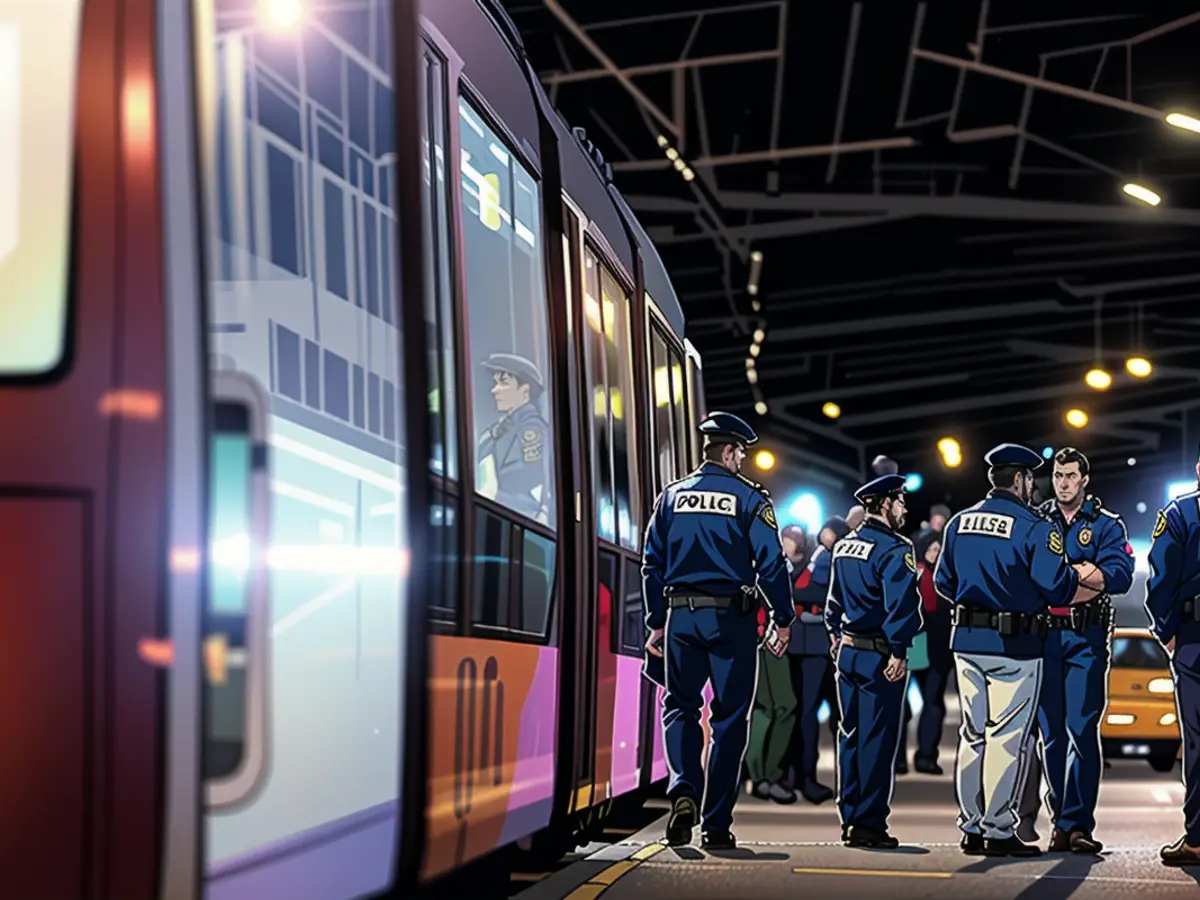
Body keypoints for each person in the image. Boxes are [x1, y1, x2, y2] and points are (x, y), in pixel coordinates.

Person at [641, 411, 793, 850]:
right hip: (732, 620)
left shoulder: (671, 498)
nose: (741, 461)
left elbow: (651, 563)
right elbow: (771, 564)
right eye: (740, 454)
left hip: (680, 618)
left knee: (680, 708)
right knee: (729, 719)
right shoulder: (750, 500)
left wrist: (655, 620)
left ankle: (683, 789)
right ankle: (716, 822)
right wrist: (782, 619)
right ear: (728, 452)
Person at [934, 443, 1084, 858]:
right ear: (1019, 480)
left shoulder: (959, 522)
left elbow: (943, 582)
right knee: (1006, 738)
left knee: (972, 734)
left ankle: (970, 827)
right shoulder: (1034, 526)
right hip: (1015, 647)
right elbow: (1057, 587)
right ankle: (998, 830)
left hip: (965, 644)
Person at [1017, 447, 1133, 854]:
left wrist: (1068, 581)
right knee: (1052, 736)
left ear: (1085, 479)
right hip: (1045, 636)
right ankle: (1060, 820)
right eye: (1058, 475)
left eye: (1070, 475)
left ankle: (1077, 825)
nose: (1063, 482)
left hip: (1086, 639)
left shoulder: (1106, 525)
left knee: (1081, 731)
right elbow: (1030, 577)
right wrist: (1081, 576)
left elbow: (1119, 575)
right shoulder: (1037, 520)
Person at [826, 474, 922, 848]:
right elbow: (901, 605)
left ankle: (848, 816)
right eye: (899, 501)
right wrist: (899, 649)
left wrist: (836, 635)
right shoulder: (896, 549)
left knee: (849, 736)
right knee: (877, 741)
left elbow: (833, 602)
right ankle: (868, 823)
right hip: (879, 655)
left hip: (847, 652)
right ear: (884, 504)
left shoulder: (845, 545)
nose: (903, 508)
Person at [1144, 447, 1200, 866]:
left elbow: (1161, 577)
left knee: (1198, 742)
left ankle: (1198, 838)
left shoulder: (1182, 513)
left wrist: (1166, 632)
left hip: (1196, 638)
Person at [786, 518, 848, 804]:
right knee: (809, 714)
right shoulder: (820, 558)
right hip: (813, 644)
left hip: (816, 643)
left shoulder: (823, 558)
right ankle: (807, 777)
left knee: (809, 714)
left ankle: (807, 776)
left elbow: (808, 593)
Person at [745, 525, 800, 805]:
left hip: (756, 637)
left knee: (765, 709)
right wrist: (774, 628)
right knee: (780, 707)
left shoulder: (750, 552)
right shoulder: (770, 560)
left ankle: (760, 774)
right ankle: (764, 774)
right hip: (767, 639)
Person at [477, 353, 551, 521]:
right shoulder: (498, 429)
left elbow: (524, 481)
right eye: (496, 383)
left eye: (504, 383)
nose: (494, 390)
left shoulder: (532, 429)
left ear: (525, 390)